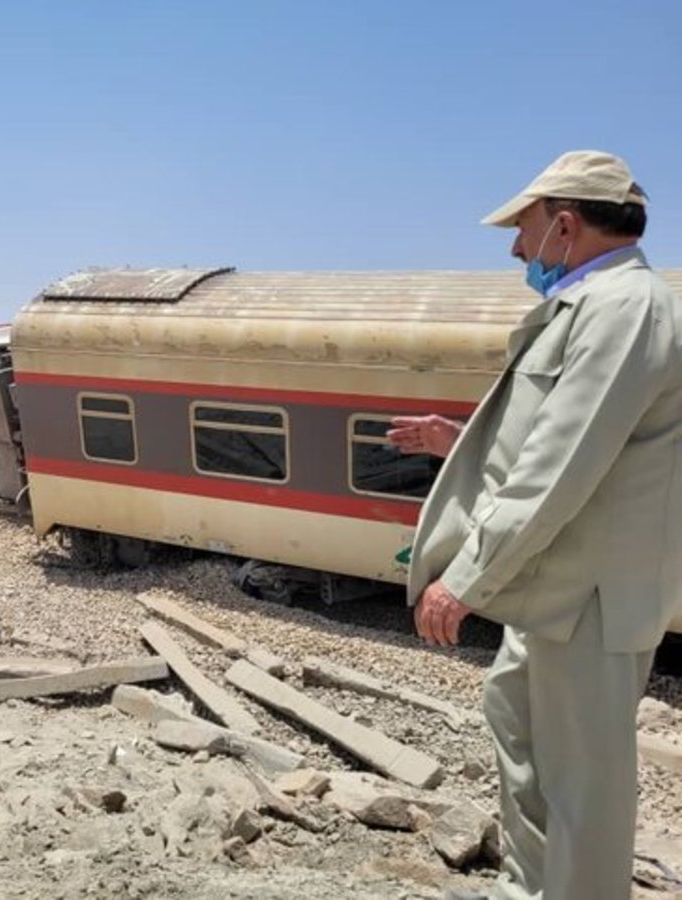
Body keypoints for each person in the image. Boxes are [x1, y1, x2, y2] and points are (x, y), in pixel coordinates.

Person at [393, 150, 682, 900]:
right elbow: (554, 444)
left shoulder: (626, 309)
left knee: (584, 789)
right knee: (521, 742)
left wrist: (463, 579)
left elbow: (563, 464)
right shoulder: (588, 308)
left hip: (589, 599)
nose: (518, 249)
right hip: (553, 586)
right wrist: (456, 443)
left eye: (522, 231)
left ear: (563, 224)